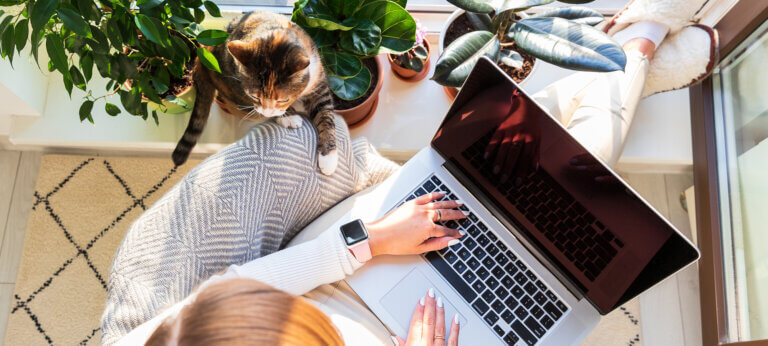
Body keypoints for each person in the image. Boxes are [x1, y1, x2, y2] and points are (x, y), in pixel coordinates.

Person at [113, 0, 717, 344]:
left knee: (506, 166)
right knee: (558, 195)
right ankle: (633, 55)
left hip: (341, 275)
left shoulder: (170, 340)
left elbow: (247, 282)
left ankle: (628, 59)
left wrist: (365, 242)